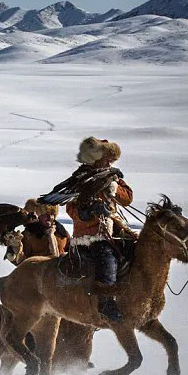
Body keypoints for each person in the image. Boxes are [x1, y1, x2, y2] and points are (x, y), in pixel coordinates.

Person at [65, 137, 134, 322]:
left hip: (114, 229)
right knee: (107, 257)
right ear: (94, 159)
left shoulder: (112, 176)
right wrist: (91, 211)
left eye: (112, 159)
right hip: (90, 234)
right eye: (106, 158)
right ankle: (105, 301)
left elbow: (127, 199)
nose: (110, 162)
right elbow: (71, 209)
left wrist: (115, 185)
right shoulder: (79, 179)